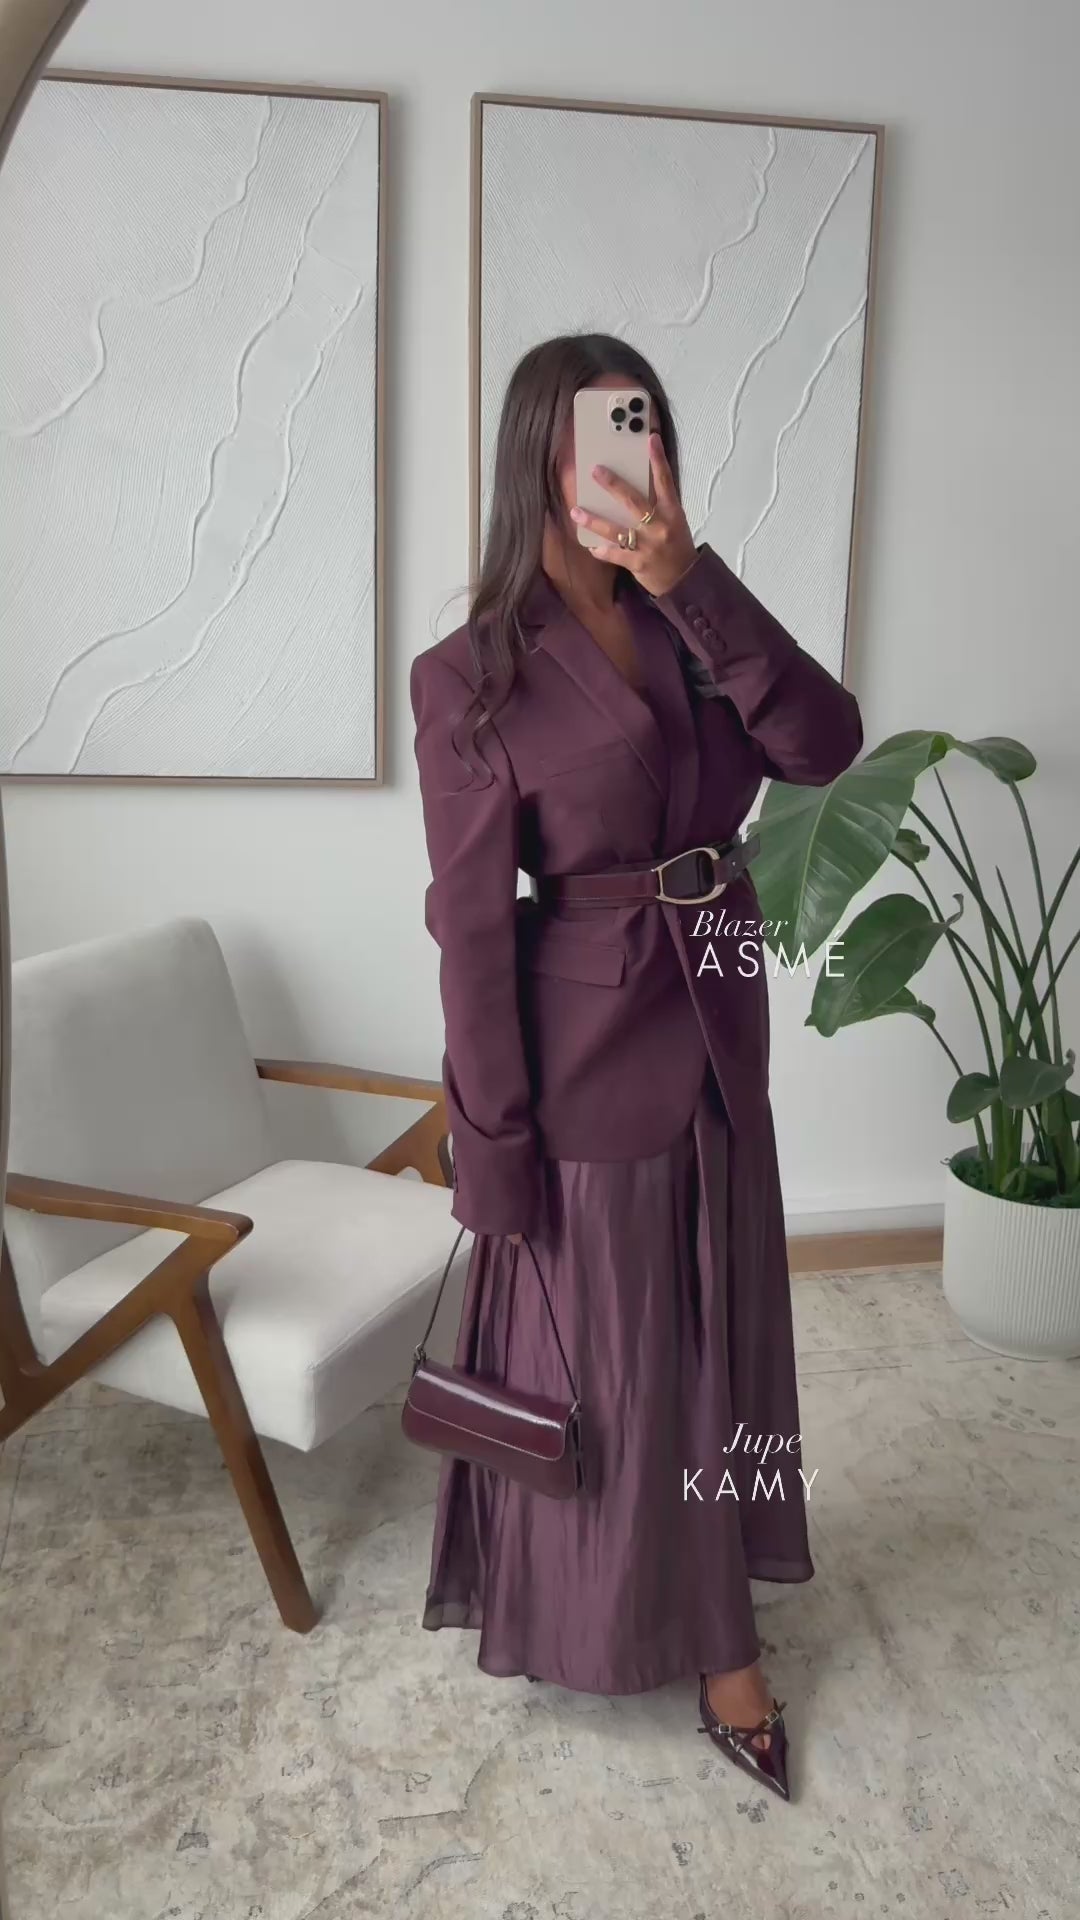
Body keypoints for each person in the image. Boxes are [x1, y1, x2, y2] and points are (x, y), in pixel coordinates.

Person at [409, 333, 863, 1802]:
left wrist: (688, 579)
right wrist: (492, 1144)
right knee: (612, 1369)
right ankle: (683, 1641)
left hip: (719, 1017)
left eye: (648, 427)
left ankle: (717, 1580)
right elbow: (472, 930)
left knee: (720, 1341)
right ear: (540, 458)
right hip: (583, 1054)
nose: (633, 455)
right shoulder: (469, 675)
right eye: (604, 431)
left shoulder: (695, 618)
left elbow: (826, 746)